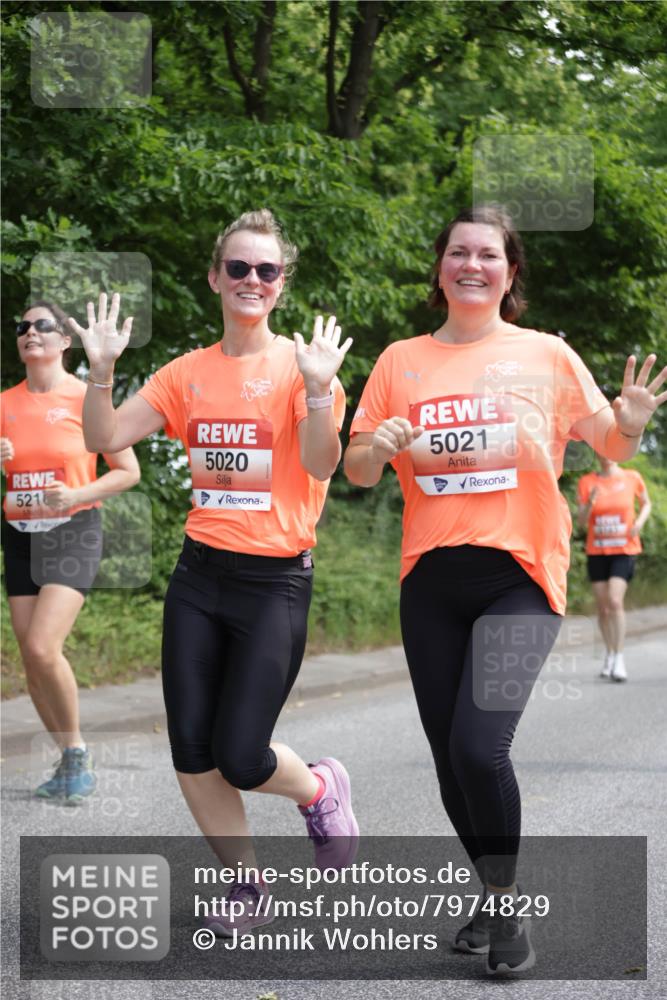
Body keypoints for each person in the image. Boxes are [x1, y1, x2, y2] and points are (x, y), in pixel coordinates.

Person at [344, 204, 666, 975]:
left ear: (509, 271)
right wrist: (376, 443)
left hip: (519, 575)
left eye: (488, 254)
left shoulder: (546, 355)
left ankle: (508, 903)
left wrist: (631, 421)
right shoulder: (400, 361)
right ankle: (491, 895)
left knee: (476, 747)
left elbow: (608, 440)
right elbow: (354, 471)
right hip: (429, 579)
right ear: (440, 266)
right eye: (458, 252)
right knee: (447, 757)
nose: (472, 264)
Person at [73, 209, 358, 934]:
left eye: (266, 270)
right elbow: (105, 437)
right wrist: (101, 373)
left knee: (239, 753)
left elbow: (326, 464)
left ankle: (319, 786)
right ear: (215, 278)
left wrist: (320, 391)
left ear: (281, 284)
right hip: (200, 578)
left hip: (274, 583)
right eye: (238, 268)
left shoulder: (304, 367)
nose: (251, 280)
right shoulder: (185, 374)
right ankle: (246, 885)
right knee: (192, 747)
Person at [1, 300, 140, 804]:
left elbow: (128, 470)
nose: (30, 333)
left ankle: (77, 753)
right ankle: (66, 760)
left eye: (42, 326)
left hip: (73, 529)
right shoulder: (4, 403)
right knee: (32, 659)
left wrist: (80, 495)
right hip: (19, 533)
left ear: (64, 341)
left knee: (42, 646)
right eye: (23, 327)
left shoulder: (86, 398)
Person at [577, 456, 651, 681]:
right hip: (597, 551)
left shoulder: (632, 477)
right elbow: (581, 521)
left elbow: (646, 502)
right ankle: (609, 652)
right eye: (601, 451)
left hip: (624, 549)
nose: (607, 456)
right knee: (603, 608)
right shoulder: (587, 481)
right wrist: (590, 503)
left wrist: (639, 522)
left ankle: (619, 657)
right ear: (596, 455)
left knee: (615, 601)